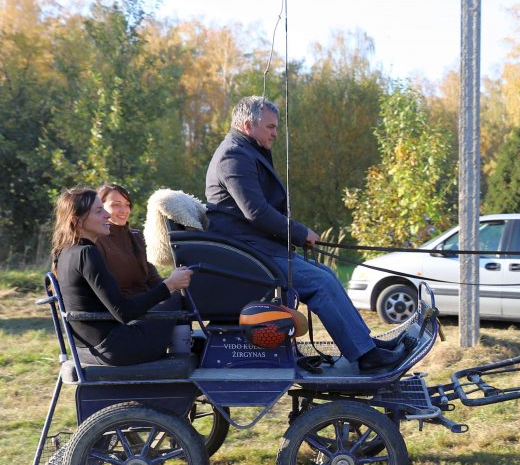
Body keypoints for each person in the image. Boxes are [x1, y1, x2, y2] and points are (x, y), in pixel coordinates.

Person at [205, 96, 405, 371]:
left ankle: (365, 345)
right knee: (319, 283)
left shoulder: (244, 149)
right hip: (247, 254)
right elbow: (256, 212)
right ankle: (366, 357)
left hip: (256, 249)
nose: (276, 133)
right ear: (249, 124)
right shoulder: (233, 155)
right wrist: (299, 233)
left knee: (326, 275)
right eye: (271, 127)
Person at [51, 188, 193, 366]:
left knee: (169, 301)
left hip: (85, 350)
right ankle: (182, 366)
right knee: (175, 299)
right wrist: (170, 285)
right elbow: (123, 312)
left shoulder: (65, 252)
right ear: (76, 221)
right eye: (98, 211)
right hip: (116, 349)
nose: (106, 215)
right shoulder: (87, 253)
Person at [95, 182, 162, 296]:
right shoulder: (95, 240)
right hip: (124, 308)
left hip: (150, 301)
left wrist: (176, 285)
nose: (124, 210)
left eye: (127, 204)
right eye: (116, 205)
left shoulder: (138, 236)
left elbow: (154, 280)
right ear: (100, 207)